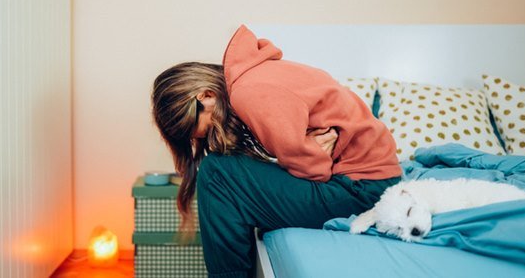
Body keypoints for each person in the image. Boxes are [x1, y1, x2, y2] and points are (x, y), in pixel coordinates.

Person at [151, 25, 402, 278]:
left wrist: (307, 156)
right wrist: (302, 154)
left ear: (206, 95)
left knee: (216, 173)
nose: (202, 136)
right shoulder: (255, 77)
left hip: (360, 190)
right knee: (223, 171)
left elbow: (315, 171)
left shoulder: (251, 94)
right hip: (366, 182)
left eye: (195, 127)